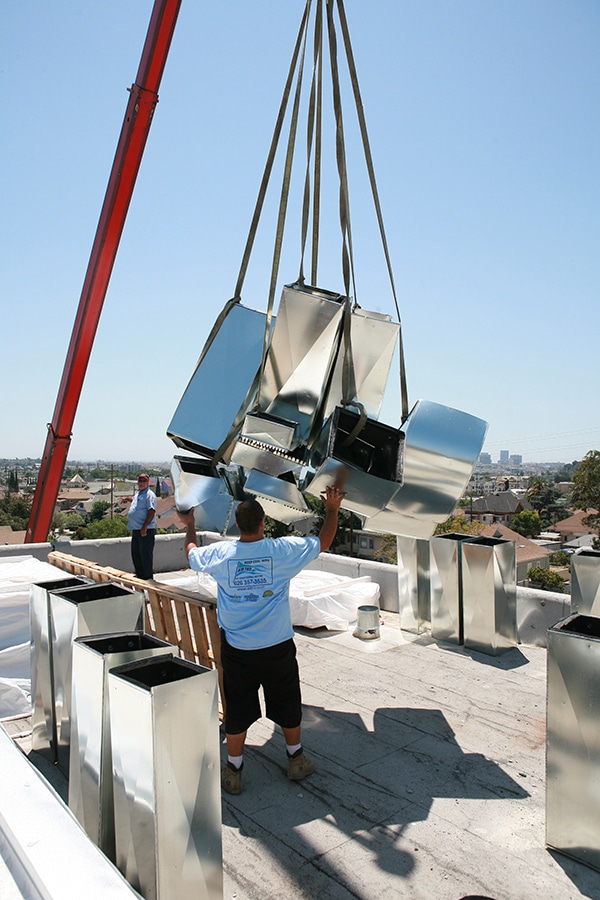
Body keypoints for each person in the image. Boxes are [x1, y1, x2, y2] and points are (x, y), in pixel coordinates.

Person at [178, 484, 345, 795]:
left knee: (238, 708)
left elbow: (191, 555)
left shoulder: (220, 554)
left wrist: (190, 527)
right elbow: (322, 541)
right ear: (263, 523)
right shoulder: (281, 551)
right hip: (277, 648)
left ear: (237, 525)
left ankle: (233, 772)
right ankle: (295, 761)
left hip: (238, 650)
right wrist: (332, 509)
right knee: (287, 701)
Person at [127, 473, 157, 579]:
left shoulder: (150, 494)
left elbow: (152, 510)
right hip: (136, 529)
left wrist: (144, 527)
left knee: (145, 556)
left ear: (147, 482)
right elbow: (137, 502)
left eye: (144, 481)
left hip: (145, 530)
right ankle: (140, 576)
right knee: (136, 555)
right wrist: (127, 499)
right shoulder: (138, 494)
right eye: (140, 481)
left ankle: (147, 578)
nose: (141, 483)